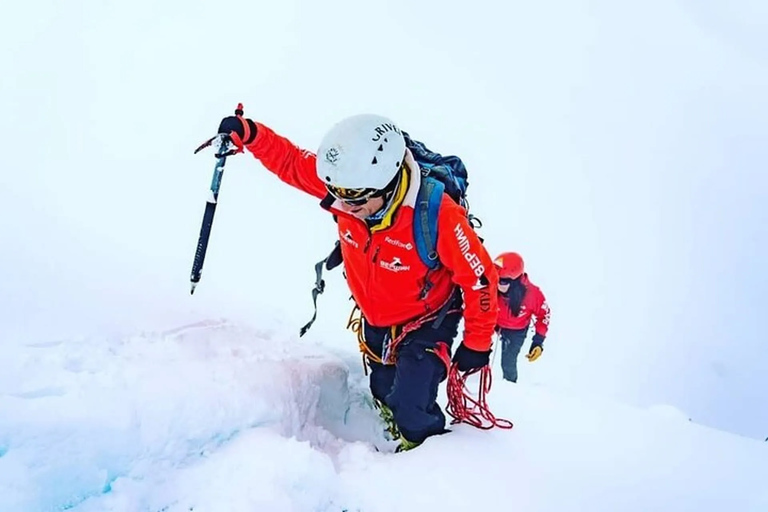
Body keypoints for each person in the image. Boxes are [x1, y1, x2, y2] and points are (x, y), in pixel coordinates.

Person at [217, 110, 499, 451]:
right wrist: (250, 133)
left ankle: (426, 461)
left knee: (411, 407)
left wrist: (477, 344)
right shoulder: (349, 189)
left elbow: (480, 278)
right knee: (382, 388)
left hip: (427, 321)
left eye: (357, 201)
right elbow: (291, 162)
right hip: (376, 315)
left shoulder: (437, 214)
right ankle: (395, 426)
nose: (345, 208)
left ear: (390, 184)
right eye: (341, 198)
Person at [493, 252, 551, 383]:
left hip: (516, 331)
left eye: (502, 281)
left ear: (515, 282)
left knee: (508, 362)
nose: (497, 284)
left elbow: (544, 315)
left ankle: (510, 387)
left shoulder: (533, 294)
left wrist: (538, 342)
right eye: (495, 278)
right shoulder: (492, 287)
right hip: (493, 323)